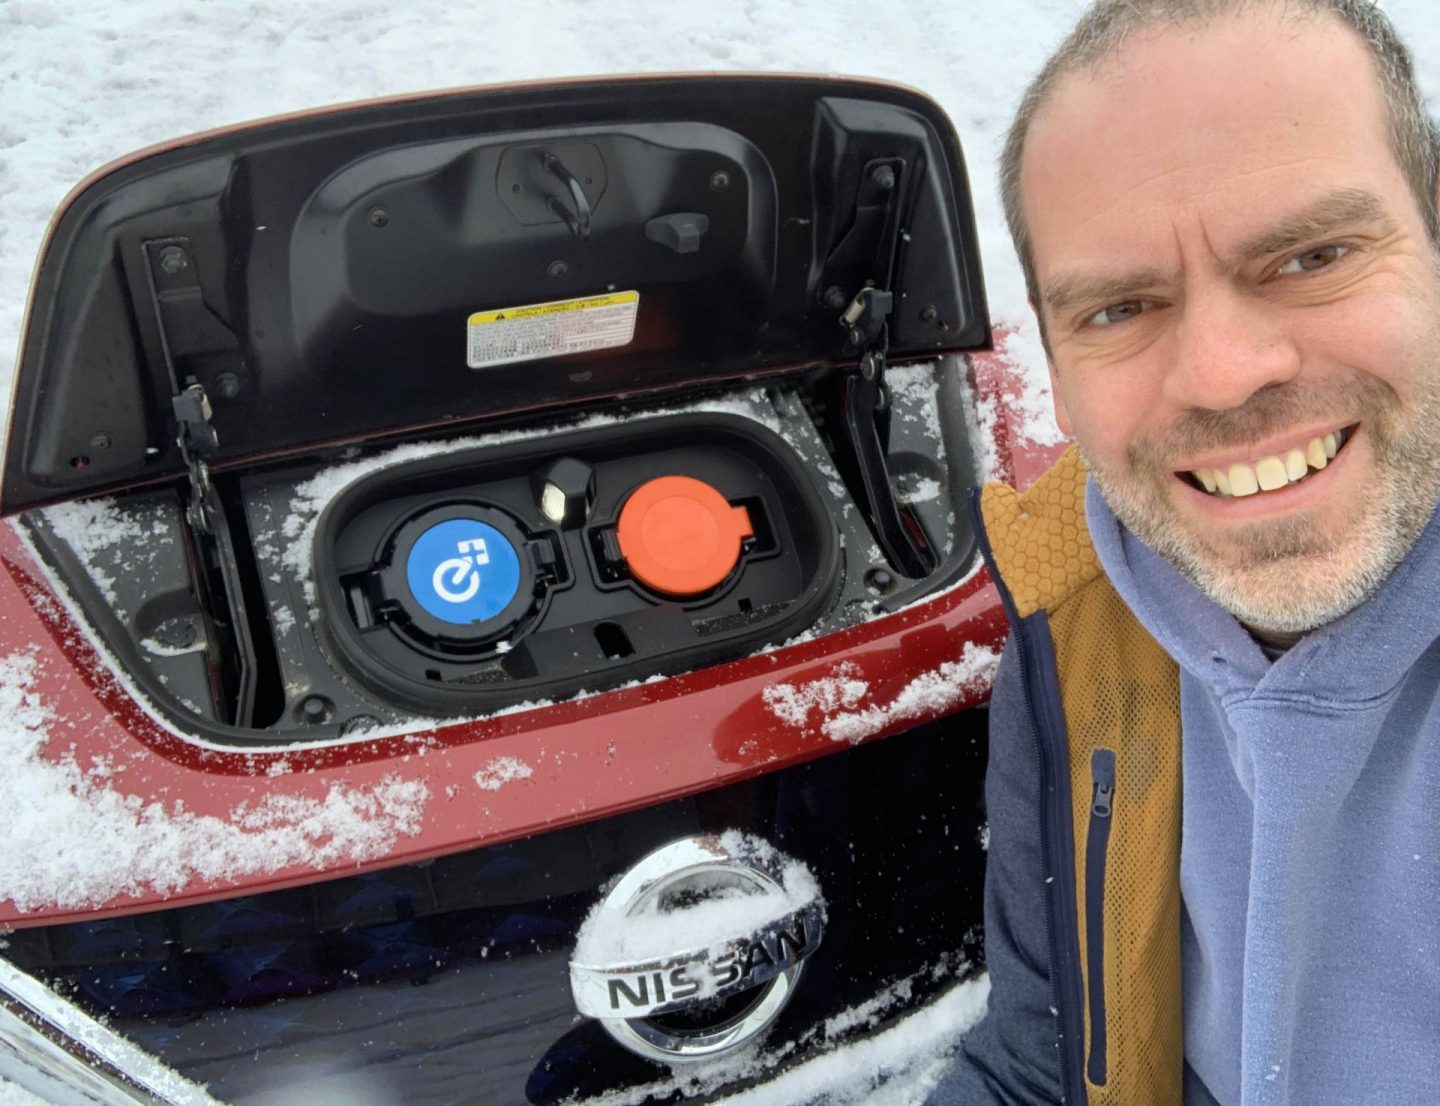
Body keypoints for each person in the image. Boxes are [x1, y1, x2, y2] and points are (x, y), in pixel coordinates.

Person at [926, 1, 1440, 1103]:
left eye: (1313, 254)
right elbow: (1041, 1056)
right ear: (1057, 370)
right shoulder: (1079, 607)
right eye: (1120, 307)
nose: (1220, 372)